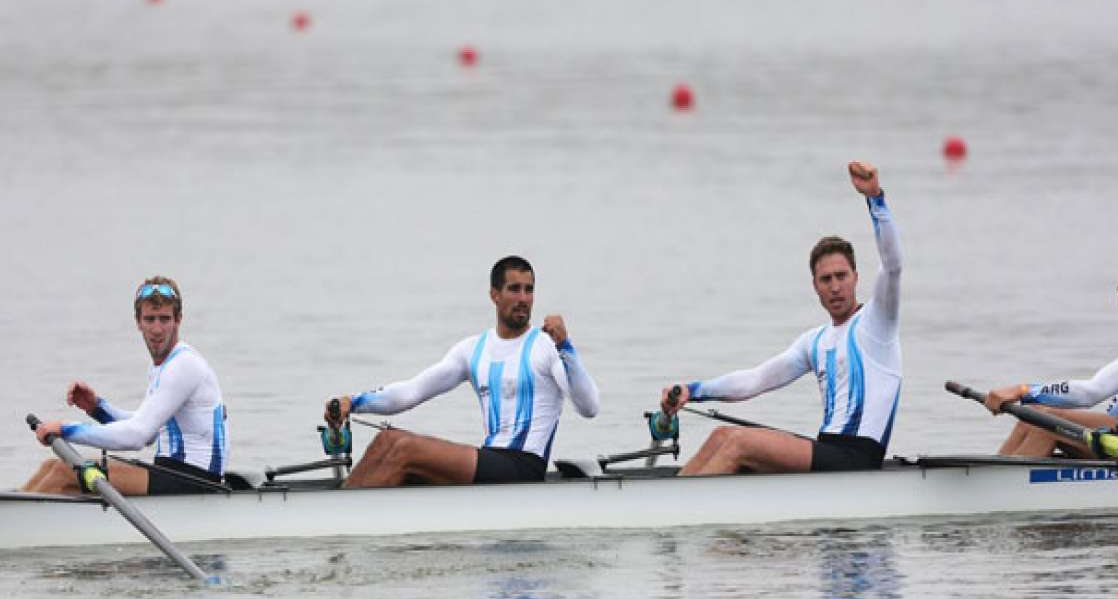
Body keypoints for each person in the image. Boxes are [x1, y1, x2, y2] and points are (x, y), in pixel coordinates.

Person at [659, 160, 902, 475]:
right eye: (826, 279)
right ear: (815, 286)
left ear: (856, 277)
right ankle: (673, 502)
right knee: (721, 436)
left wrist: (875, 198)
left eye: (842, 276)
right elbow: (754, 381)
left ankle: (678, 513)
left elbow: (893, 264)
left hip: (858, 458)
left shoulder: (877, 322)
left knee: (739, 444)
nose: (836, 286)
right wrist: (694, 390)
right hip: (828, 449)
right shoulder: (814, 341)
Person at [325, 255, 600, 487]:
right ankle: (344, 509)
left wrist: (566, 345)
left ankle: (339, 519)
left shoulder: (547, 347)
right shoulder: (473, 349)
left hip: (524, 467)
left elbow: (589, 407)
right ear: (494, 295)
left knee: (404, 448)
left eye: (529, 290)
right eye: (514, 289)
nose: (523, 298)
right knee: (385, 442)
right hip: (492, 459)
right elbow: (411, 392)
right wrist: (354, 402)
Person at [22, 276, 228, 495]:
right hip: (170, 473)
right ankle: (16, 510)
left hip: (195, 482)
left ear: (178, 320)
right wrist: (96, 407)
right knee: (50, 467)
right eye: (149, 319)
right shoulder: (162, 367)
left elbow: (137, 436)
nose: (157, 329)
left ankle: (14, 522)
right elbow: (147, 430)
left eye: (164, 319)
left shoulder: (184, 365)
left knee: (63, 473)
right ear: (138, 322)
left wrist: (66, 429)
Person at [984, 241, 1118, 458]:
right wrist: (1090, 427)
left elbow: (1092, 392)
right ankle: (991, 477)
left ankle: (1003, 487)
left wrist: (1023, 391)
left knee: (1048, 423)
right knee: (1035, 416)